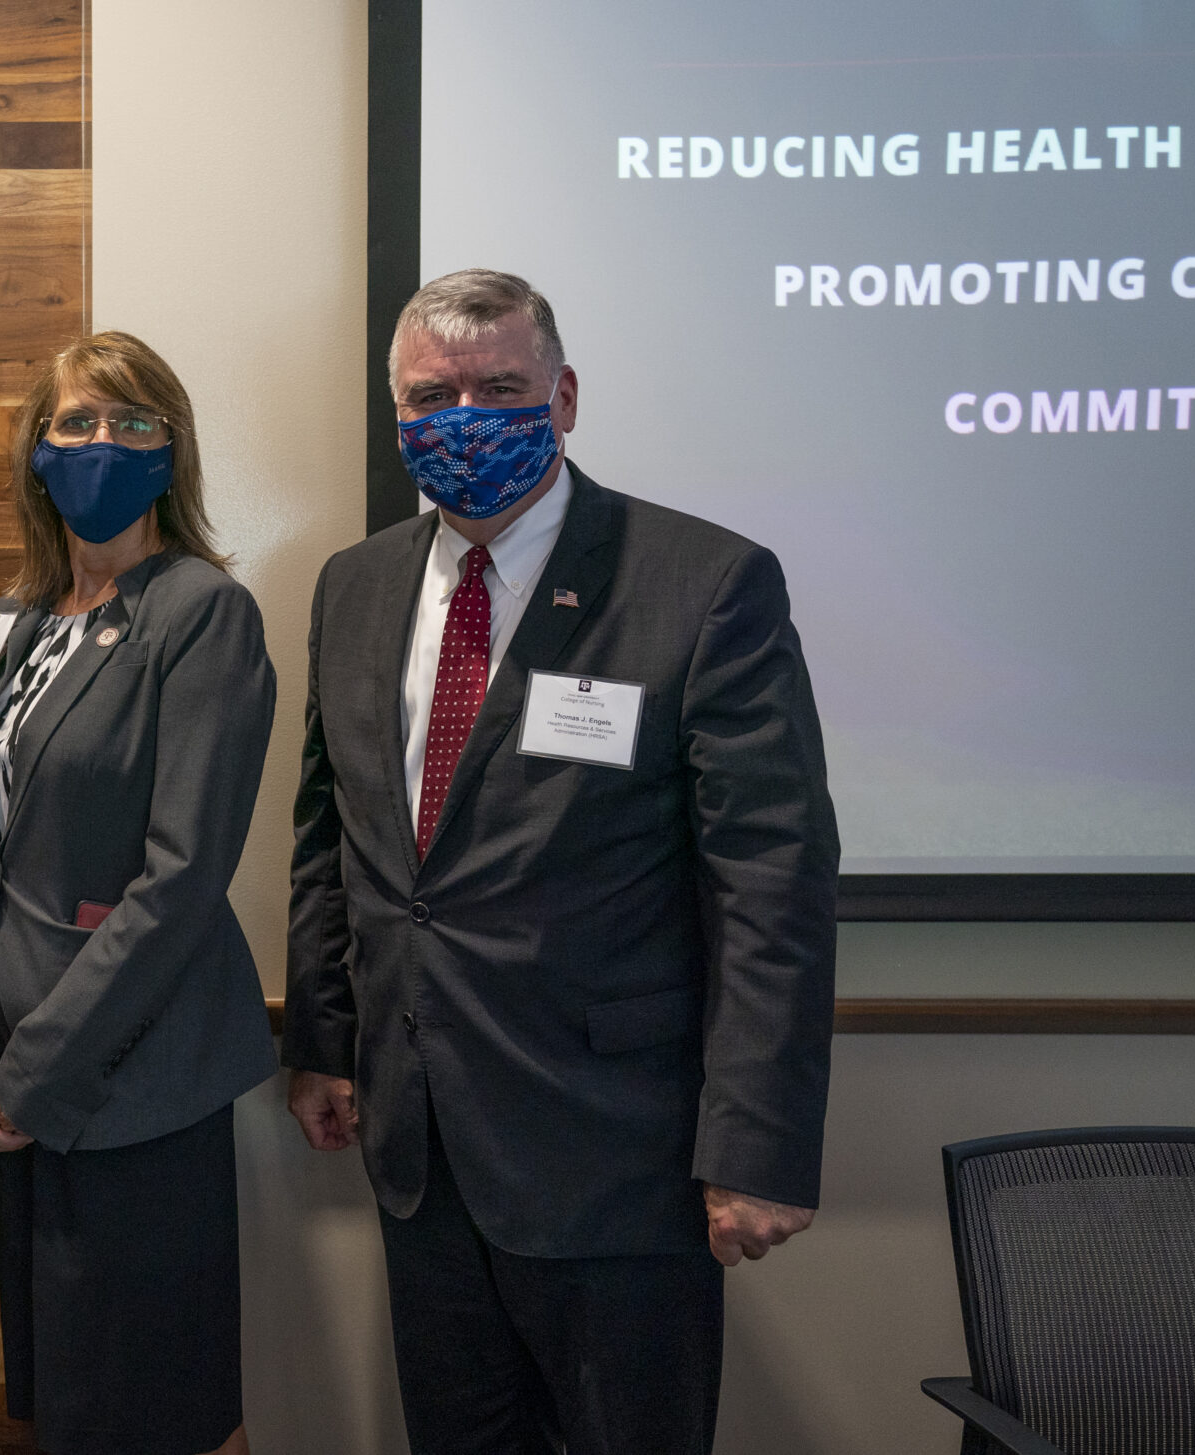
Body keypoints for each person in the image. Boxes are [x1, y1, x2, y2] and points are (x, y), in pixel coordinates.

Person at [283, 269, 840, 1454]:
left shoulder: (702, 584)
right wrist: (324, 1040)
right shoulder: (355, 584)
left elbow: (770, 885)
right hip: (420, 1144)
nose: (464, 418)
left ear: (565, 396)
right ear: (396, 414)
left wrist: (757, 1147)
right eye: (432, 396)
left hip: (616, 1157)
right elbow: (333, 832)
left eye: (500, 388)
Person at [0, 332, 276, 1455]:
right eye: (75, 423)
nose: (99, 444)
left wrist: (32, 1076)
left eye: (131, 423)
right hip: (8, 1084)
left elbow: (178, 880)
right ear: (36, 452)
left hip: (129, 1086)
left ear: (171, 455)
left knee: (151, 1413)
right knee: (65, 1407)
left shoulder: (200, 612)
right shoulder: (15, 621)